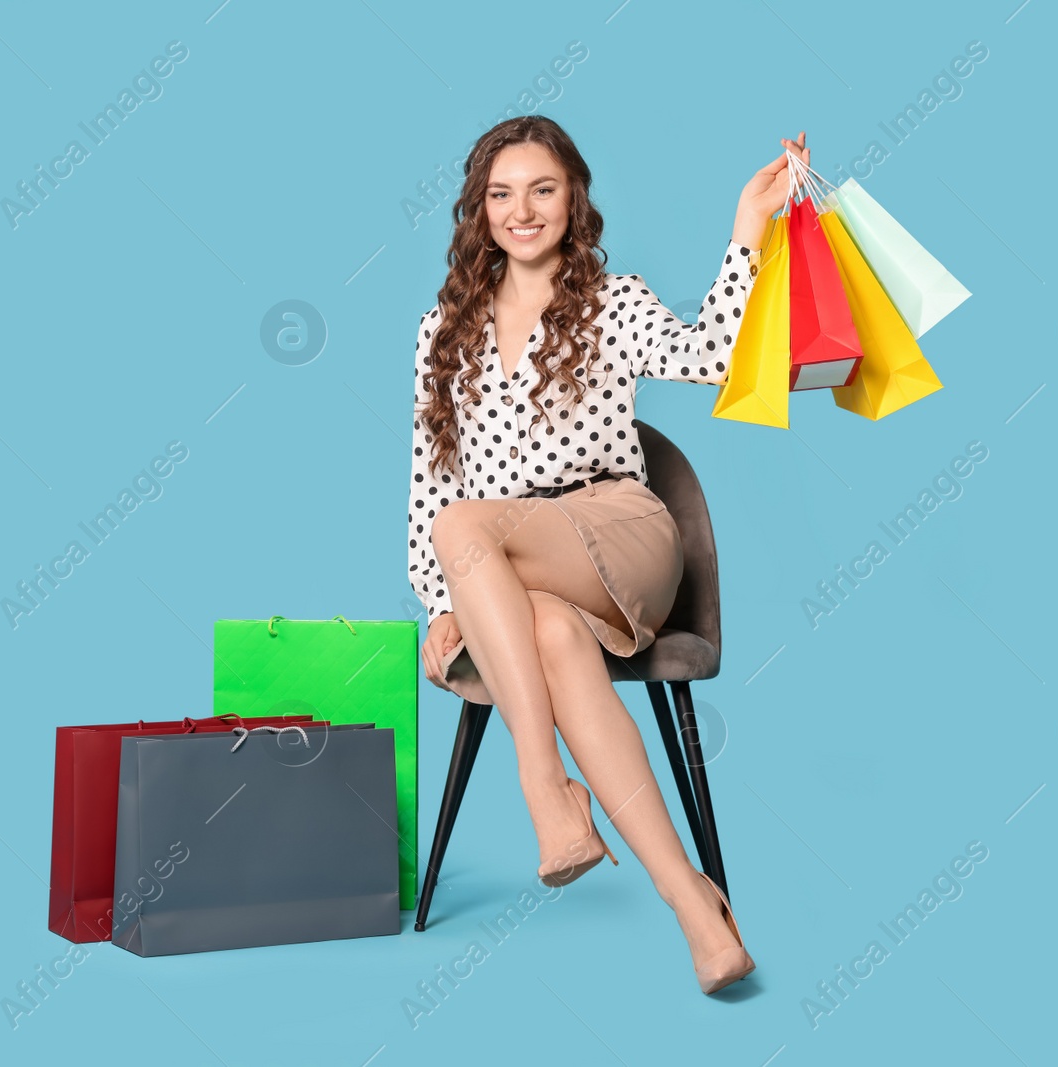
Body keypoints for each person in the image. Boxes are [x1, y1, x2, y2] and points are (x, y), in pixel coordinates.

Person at [407, 114, 807, 995]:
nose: (522, 210)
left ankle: (545, 789)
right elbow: (432, 476)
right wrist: (447, 602)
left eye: (542, 189)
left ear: (573, 199)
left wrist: (750, 225)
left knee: (461, 530)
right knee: (545, 629)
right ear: (478, 210)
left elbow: (714, 356)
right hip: (524, 574)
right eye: (501, 194)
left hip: (623, 537)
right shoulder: (445, 330)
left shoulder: (612, 301)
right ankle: (699, 912)